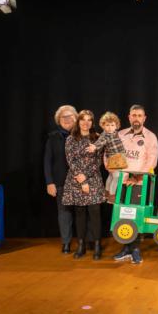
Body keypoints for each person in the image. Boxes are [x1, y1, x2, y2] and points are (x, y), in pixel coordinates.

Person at [112, 105, 158, 265]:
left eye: (139, 115)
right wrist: (118, 174)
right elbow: (111, 156)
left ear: (144, 118)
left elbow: (151, 161)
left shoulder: (151, 137)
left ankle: (136, 249)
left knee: (135, 216)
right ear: (129, 117)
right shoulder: (120, 135)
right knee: (123, 216)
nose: (136, 118)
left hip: (139, 183)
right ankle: (126, 249)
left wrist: (135, 177)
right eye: (134, 115)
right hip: (122, 181)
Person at [61, 110, 105, 260]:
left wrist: (86, 177)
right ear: (78, 121)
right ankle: (81, 245)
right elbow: (70, 161)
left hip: (93, 179)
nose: (86, 123)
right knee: (79, 213)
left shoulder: (98, 138)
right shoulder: (71, 139)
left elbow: (98, 161)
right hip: (76, 179)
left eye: (89, 120)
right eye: (83, 120)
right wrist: (82, 180)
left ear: (92, 122)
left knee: (95, 212)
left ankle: (98, 245)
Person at [44, 104, 78, 254]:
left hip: (80, 182)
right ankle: (66, 243)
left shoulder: (83, 136)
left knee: (83, 213)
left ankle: (85, 242)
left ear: (76, 118)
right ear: (59, 120)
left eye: (70, 116)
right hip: (60, 181)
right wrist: (49, 182)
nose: (67, 119)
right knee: (64, 213)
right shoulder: (53, 138)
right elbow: (47, 161)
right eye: (64, 117)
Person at [86, 111, 127, 203]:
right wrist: (94, 146)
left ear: (116, 126)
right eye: (107, 125)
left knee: (112, 176)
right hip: (114, 158)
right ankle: (112, 196)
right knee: (116, 176)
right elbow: (101, 142)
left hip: (119, 157)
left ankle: (107, 192)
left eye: (112, 125)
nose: (110, 128)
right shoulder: (106, 135)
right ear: (103, 126)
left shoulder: (114, 133)